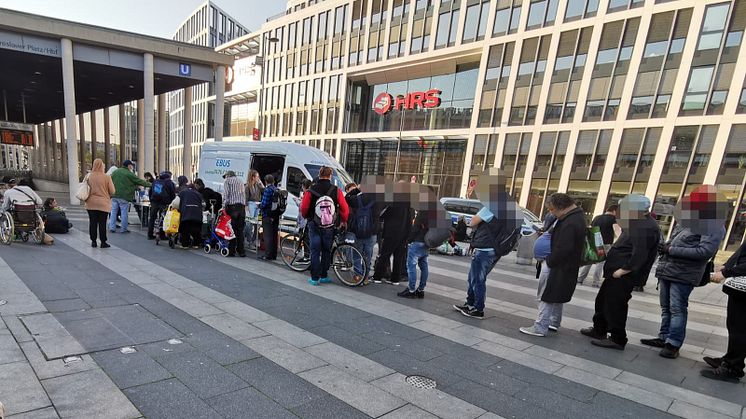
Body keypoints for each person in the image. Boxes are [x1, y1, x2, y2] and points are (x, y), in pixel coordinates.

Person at [641, 186, 726, 359]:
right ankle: (664, 337)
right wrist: (665, 247)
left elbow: (704, 251)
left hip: (685, 273)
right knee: (666, 307)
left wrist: (671, 249)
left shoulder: (713, 224)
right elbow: (674, 241)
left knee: (677, 308)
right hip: (669, 269)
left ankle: (673, 343)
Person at [581, 195, 661, 349]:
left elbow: (640, 254)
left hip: (623, 274)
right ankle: (599, 329)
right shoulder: (637, 223)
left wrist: (623, 270)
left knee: (615, 305)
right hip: (616, 272)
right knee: (603, 300)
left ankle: (618, 338)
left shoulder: (644, 226)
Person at [519, 193, 586, 335]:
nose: (551, 213)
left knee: (546, 294)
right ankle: (554, 322)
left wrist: (549, 261)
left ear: (561, 207)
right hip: (563, 265)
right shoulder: (574, 217)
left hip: (557, 265)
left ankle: (541, 326)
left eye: (552, 210)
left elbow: (564, 248)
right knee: (555, 293)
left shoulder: (571, 222)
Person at [703, 242, 746, 383]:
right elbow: (741, 251)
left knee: (739, 328)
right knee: (734, 325)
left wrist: (725, 273)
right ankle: (730, 359)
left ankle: (733, 367)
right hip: (739, 290)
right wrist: (726, 265)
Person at [300, 166, 349, 285]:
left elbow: (304, 207)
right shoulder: (336, 190)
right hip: (329, 225)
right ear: (330, 176)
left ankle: (314, 278)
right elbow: (345, 208)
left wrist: (307, 216)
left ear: (319, 174)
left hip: (314, 224)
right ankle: (324, 275)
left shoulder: (310, 190)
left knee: (315, 251)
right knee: (326, 250)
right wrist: (344, 220)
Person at [372, 196, 411, 285]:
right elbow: (409, 219)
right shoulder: (408, 203)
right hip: (403, 233)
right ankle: (395, 279)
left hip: (391, 232)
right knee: (398, 257)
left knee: (385, 255)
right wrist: (408, 234)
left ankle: (377, 276)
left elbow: (382, 214)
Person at [577, 205, 619, 287]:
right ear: (614, 211)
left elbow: (591, 228)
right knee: (600, 262)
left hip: (594, 241)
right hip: (605, 243)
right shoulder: (613, 219)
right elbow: (617, 231)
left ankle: (580, 279)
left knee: (590, 260)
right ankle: (595, 282)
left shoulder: (597, 217)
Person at [345, 182, 379, 284]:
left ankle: (358, 276)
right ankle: (366, 277)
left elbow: (346, 198)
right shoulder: (377, 201)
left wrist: (356, 190)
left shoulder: (356, 199)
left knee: (356, 254)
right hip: (372, 232)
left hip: (359, 231)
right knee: (368, 255)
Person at [109, 160, 150, 233]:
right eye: (131, 165)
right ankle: (123, 229)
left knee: (113, 212)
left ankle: (112, 227)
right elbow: (139, 181)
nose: (132, 167)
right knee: (124, 212)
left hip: (114, 195)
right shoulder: (129, 174)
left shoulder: (115, 172)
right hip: (124, 196)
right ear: (128, 165)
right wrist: (151, 184)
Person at [398, 207, 429, 299]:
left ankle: (411, 290)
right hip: (427, 242)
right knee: (424, 266)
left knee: (411, 266)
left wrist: (408, 240)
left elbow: (415, 229)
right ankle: (421, 290)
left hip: (417, 242)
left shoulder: (422, 213)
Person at [85, 159, 116, 248]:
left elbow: (85, 187)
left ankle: (93, 241)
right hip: (103, 203)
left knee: (92, 222)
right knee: (102, 223)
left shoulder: (88, 176)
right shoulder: (106, 177)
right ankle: (103, 242)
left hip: (91, 203)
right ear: (102, 165)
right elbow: (113, 191)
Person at [221, 170, 246, 257]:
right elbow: (243, 195)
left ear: (228, 175)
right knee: (240, 230)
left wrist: (223, 207)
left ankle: (232, 250)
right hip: (241, 208)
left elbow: (226, 195)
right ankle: (241, 250)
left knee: (232, 230)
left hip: (233, 208)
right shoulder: (241, 181)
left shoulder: (227, 181)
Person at [147, 171, 176, 240]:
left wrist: (151, 200)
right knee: (163, 218)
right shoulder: (169, 183)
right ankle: (162, 235)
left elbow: (150, 192)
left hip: (154, 202)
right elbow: (172, 193)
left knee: (152, 218)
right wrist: (171, 202)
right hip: (164, 203)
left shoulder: (155, 181)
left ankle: (150, 234)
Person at [259, 174, 282, 260]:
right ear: (273, 181)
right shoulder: (276, 189)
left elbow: (264, 204)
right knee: (274, 235)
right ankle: (274, 254)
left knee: (267, 235)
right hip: (275, 215)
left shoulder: (267, 190)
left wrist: (259, 206)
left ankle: (268, 254)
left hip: (267, 215)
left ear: (266, 181)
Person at [177, 183, 204, 249]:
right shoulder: (198, 194)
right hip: (197, 215)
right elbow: (203, 204)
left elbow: (176, 202)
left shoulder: (182, 192)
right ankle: (196, 244)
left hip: (186, 214)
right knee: (196, 230)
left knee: (185, 230)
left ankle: (185, 245)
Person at [245, 169, 265, 247]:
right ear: (253, 177)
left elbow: (264, 190)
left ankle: (253, 240)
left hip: (258, 204)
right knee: (249, 223)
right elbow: (246, 197)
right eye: (257, 176)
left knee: (257, 223)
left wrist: (261, 183)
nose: (258, 178)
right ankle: (249, 240)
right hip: (251, 204)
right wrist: (246, 207)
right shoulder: (247, 186)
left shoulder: (258, 185)